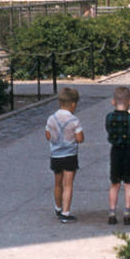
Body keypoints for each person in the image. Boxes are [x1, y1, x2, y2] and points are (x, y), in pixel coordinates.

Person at [104, 86, 130, 227]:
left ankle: (112, 212)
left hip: (116, 151)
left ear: (113, 102)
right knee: (129, 183)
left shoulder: (109, 117)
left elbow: (108, 129)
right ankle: (127, 212)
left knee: (114, 183)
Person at [45, 87, 84, 222]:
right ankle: (66, 213)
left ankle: (58, 207)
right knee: (68, 184)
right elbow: (79, 138)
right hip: (70, 155)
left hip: (55, 155)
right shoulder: (74, 120)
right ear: (73, 104)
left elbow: (48, 135)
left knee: (57, 183)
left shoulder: (51, 118)